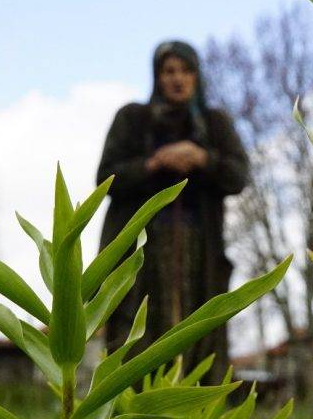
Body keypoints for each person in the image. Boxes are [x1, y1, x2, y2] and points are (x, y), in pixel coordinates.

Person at [96, 41, 249, 384]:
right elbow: (106, 178)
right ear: (157, 77)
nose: (177, 79)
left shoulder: (214, 123)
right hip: (141, 248)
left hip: (200, 248)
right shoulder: (133, 119)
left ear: (196, 76)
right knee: (137, 330)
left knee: (200, 331)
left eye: (185, 70)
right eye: (169, 71)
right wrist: (154, 162)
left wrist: (203, 158)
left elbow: (239, 175)